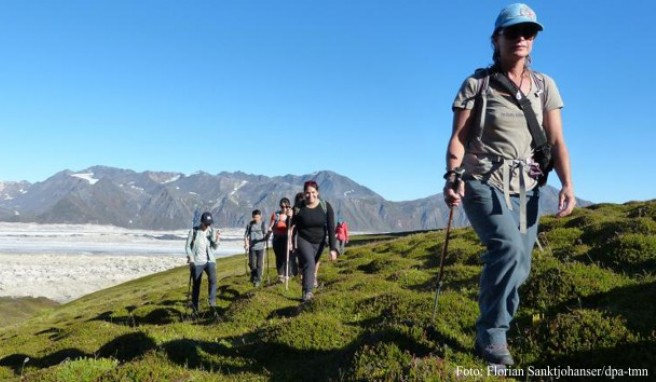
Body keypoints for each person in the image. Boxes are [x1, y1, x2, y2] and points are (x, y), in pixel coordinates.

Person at [443, 3, 575, 366]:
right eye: (513, 32)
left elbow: (557, 140)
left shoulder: (545, 85)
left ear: (534, 40)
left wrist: (566, 184)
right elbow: (458, 138)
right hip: (483, 181)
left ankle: (495, 324)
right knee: (507, 249)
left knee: (522, 265)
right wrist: (452, 176)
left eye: (528, 33)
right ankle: (493, 335)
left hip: (528, 189)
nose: (521, 38)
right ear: (496, 38)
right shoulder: (477, 84)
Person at [291, 180, 339, 302]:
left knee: (312, 264)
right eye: (307, 193)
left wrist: (333, 249)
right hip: (303, 239)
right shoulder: (298, 208)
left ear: (317, 192)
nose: (310, 195)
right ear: (304, 193)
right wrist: (289, 216)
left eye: (313, 192)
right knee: (310, 262)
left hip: (320, 242)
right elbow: (289, 224)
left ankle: (306, 287)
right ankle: (308, 292)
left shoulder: (325, 206)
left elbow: (330, 228)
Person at [184, 211, 220, 312]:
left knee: (213, 280)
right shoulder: (193, 231)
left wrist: (217, 239)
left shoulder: (211, 231)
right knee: (196, 284)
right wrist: (191, 259)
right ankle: (195, 307)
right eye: (206, 224)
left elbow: (215, 246)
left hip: (209, 260)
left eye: (209, 224)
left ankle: (212, 303)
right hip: (197, 262)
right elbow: (187, 247)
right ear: (201, 222)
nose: (208, 226)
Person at [268, 197, 296, 283]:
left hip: (288, 239)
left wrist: (291, 241)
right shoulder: (276, 215)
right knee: (279, 257)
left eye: (286, 206)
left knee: (287, 257)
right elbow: (271, 226)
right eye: (282, 206)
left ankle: (287, 274)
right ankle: (280, 276)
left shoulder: (292, 215)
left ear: (289, 206)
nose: (284, 208)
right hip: (277, 239)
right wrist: (268, 233)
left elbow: (293, 227)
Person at [244, 209, 268, 287]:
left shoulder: (263, 224)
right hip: (252, 248)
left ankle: (257, 279)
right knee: (252, 264)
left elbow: (265, 235)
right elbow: (246, 236)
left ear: (260, 216)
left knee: (259, 264)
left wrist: (265, 240)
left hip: (261, 247)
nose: (256, 219)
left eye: (257, 217)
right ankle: (254, 276)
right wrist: (246, 243)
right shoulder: (250, 225)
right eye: (254, 217)